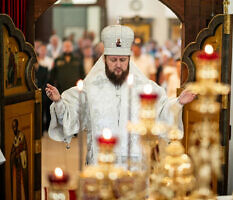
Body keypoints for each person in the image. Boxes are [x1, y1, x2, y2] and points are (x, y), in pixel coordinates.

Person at [45, 25, 195, 165]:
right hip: (100, 163)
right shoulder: (91, 88)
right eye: (113, 60)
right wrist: (59, 102)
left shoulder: (144, 87)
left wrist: (178, 103)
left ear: (129, 60)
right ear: (104, 59)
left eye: (123, 60)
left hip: (135, 165)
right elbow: (71, 116)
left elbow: (161, 113)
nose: (118, 65)